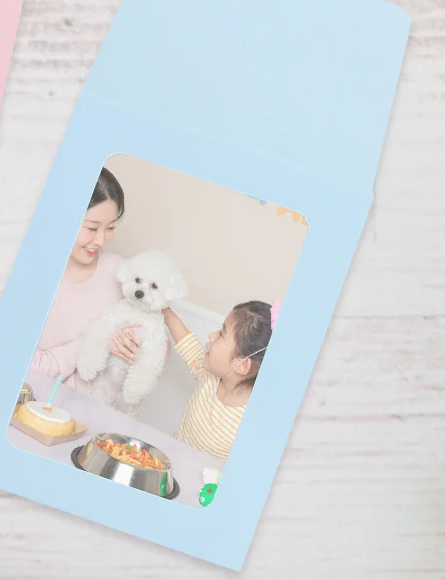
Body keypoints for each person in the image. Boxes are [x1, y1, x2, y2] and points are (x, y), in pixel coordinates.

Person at [30, 167, 141, 381]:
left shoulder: (121, 273)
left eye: (110, 228)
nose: (100, 240)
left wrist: (138, 348)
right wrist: (99, 340)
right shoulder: (33, 278)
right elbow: (30, 369)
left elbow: (157, 346)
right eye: (92, 228)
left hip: (96, 411)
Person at [160, 299, 274, 462]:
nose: (211, 336)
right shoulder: (210, 377)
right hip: (169, 461)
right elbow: (190, 347)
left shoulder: (250, 422)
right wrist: (166, 313)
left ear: (241, 364)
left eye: (221, 333)